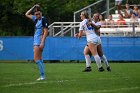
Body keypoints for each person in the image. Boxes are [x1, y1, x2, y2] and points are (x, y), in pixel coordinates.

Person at [25, 5, 48, 80]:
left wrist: (42, 42)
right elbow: (26, 14)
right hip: (36, 40)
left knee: (36, 59)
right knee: (40, 59)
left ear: (41, 13)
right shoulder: (35, 19)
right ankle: (43, 75)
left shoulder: (43, 20)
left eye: (39, 14)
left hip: (39, 41)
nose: (37, 15)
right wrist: (33, 7)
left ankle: (42, 76)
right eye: (36, 14)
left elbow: (46, 31)